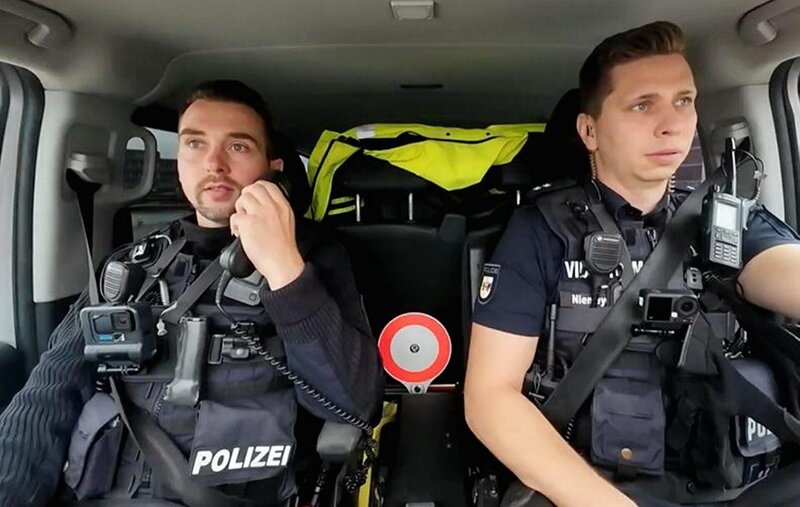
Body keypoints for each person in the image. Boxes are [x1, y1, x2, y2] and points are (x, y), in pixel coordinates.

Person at [0, 80, 383, 506]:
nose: (214, 163)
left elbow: (353, 404)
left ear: (272, 167)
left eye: (238, 146)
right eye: (195, 144)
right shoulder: (127, 266)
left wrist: (284, 270)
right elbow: (48, 392)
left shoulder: (315, 257)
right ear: (180, 161)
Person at [464, 22, 800, 507]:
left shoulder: (727, 222)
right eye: (643, 105)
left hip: (733, 486)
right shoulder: (541, 231)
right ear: (589, 131)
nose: (671, 124)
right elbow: (490, 397)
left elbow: (785, 272)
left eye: (683, 101)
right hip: (592, 489)